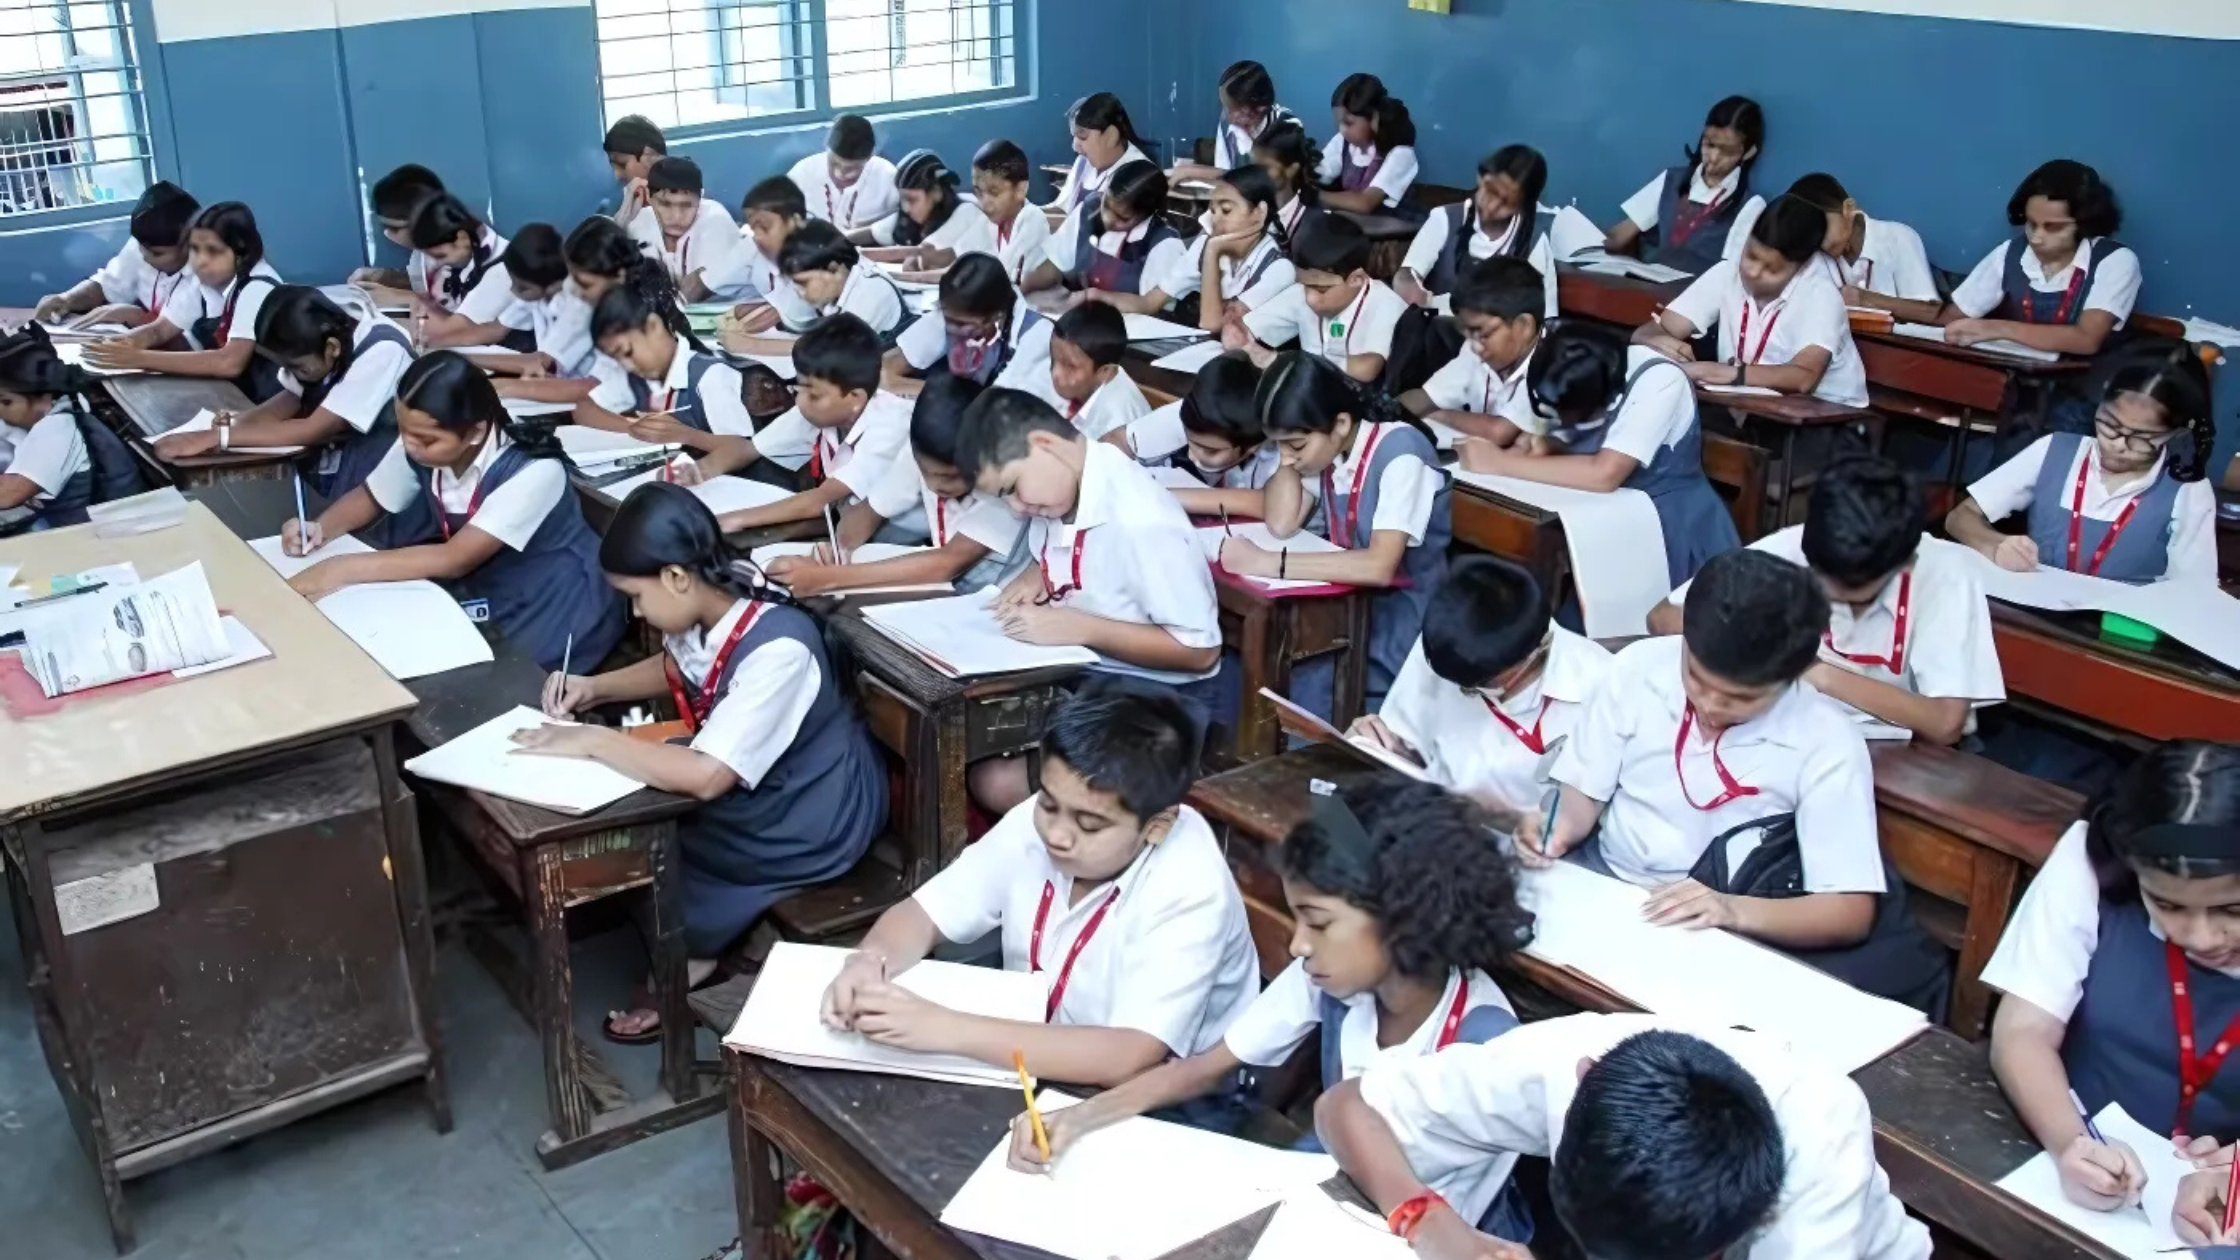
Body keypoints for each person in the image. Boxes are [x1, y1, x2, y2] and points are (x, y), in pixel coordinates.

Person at [1007, 775, 1533, 1230]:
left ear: (1403, 918)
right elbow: (1204, 1069)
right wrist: (1078, 1118)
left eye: (1319, 922)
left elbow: (1428, 1220)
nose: (1298, 944)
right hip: (1334, 1196)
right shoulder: (1331, 976)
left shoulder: (1483, 1046)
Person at [532, 481, 885, 1042]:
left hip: (814, 810)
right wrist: (594, 689)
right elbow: (682, 668)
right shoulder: (712, 601)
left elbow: (706, 777)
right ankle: (679, 936)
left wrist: (596, 742)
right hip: (768, 778)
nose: (634, 609)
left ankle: (692, 953)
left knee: (655, 823)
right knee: (644, 791)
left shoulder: (779, 649)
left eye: (637, 596)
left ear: (676, 577)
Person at [1525, 549, 1950, 1012]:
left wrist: (1730, 910)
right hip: (1610, 885)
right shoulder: (1638, 668)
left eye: (1739, 698)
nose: (1709, 705)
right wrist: (1552, 828)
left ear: (1792, 676)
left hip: (1723, 926)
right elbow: (1579, 801)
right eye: (1695, 677)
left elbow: (1847, 912)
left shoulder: (1825, 740)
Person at [820, 682, 1255, 1090]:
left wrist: (944, 1028)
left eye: (1090, 824)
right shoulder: (1048, 815)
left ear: (1157, 825)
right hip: (1031, 1042)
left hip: (1164, 1094)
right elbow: (923, 914)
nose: (1058, 834)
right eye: (1049, 803)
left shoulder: (1192, 890)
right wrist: (868, 963)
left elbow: (1129, 1055)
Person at [1316, 1012, 1931, 1259]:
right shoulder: (1567, 1058)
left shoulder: (1821, 1150)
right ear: (1581, 1083)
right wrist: (1427, 1220)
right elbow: (1347, 1107)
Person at [1981, 740, 2240, 1226]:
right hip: (2065, 1140)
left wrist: (2235, 1167)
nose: (2200, 937)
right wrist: (2071, 1144)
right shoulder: (2092, 861)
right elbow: (2022, 1032)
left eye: (2233, 911)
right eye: (2166, 905)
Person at [958, 387, 1223, 808]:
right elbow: (1076, 558)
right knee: (970, 737)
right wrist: (1038, 573)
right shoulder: (1064, 489)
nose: (1017, 508)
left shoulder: (1142, 521)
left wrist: (1079, 627)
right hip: (1091, 675)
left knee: (996, 780)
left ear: (1044, 445)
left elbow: (1201, 651)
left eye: (1013, 488)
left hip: (1158, 701)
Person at [278, 351, 625, 671]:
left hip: (553, 602)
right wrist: (320, 529)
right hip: (491, 583)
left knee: (491, 676)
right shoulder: (423, 437)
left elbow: (455, 558)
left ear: (475, 432)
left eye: (426, 440)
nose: (409, 445)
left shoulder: (534, 471)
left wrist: (340, 569)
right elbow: (372, 496)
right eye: (403, 432)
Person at [1652, 458, 2003, 746]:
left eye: (1856, 595)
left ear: (1904, 563)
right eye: (1823, 585)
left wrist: (1810, 669)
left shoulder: (1946, 573)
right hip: (1787, 725)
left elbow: (1944, 723)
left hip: (1894, 747)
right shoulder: (1801, 544)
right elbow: (1663, 618)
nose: (1835, 601)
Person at [1218, 352, 1449, 707]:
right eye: (1278, 445)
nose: (1288, 456)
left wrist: (1267, 563)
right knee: (1261, 671)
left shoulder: (1402, 454)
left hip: (1401, 628)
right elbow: (1281, 522)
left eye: (1295, 444)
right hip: (1347, 613)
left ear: (1341, 422)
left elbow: (1379, 566)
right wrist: (1290, 455)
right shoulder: (1331, 449)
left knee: (1296, 686)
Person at [1459, 320, 1736, 586]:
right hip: (1604, 521)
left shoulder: (1660, 379)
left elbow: (1605, 473)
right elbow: (1572, 426)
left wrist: (1500, 462)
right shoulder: (1559, 362)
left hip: (1669, 530)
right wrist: (1551, 443)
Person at [1353, 556, 1613, 820]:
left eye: (1483, 685)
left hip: (1529, 844)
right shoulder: (1451, 644)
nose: (1469, 692)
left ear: (1535, 652)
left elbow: (1590, 818)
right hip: (1434, 819)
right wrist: (1389, 750)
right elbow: (1413, 749)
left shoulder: (1598, 686)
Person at [1947, 341, 2216, 584]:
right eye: (2110, 424)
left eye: (2142, 438)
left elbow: (2195, 590)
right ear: (2100, 403)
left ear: (2176, 433)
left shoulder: (2187, 489)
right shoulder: (2054, 450)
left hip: (2116, 633)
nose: (2119, 444)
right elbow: (1960, 517)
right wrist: (1995, 544)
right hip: (2034, 612)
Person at [152, 286, 413, 510]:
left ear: (332, 348)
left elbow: (315, 428)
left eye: (298, 368)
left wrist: (216, 438)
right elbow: (290, 400)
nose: (294, 374)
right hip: (335, 467)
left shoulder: (383, 350)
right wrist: (229, 426)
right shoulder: (323, 342)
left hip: (380, 480)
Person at [764, 375, 1025, 597]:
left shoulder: (1007, 486)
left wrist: (827, 578)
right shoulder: (921, 449)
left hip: (999, 597)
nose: (936, 485)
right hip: (947, 592)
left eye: (953, 477)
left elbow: (948, 562)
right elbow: (864, 516)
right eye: (928, 473)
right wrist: (836, 552)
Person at [1882, 160, 2140, 376]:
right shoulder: (2011, 253)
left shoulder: (2114, 260)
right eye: (2031, 224)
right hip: (2019, 381)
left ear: (2084, 224)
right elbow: (1953, 315)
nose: (2036, 236)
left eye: (2053, 227)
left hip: (2088, 388)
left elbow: (2086, 338)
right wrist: (1871, 301)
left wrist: (1996, 328)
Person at [1636, 193, 1869, 407]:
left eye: (1772, 269)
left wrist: (1723, 373)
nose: (1754, 272)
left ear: (1802, 266)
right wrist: (1656, 340)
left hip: (1825, 419)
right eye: (1751, 255)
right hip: (1750, 406)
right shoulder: (1728, 273)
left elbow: (1804, 377)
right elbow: (1653, 329)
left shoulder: (1821, 295)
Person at [708, 314, 911, 529]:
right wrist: (697, 472)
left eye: (812, 394)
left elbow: (820, 501)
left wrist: (729, 521)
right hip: (847, 521)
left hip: (902, 539)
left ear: (855, 398)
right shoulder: (823, 407)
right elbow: (749, 449)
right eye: (798, 387)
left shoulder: (891, 425)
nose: (800, 400)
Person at [84, 201, 287, 400]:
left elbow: (229, 362)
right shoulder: (207, 282)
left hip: (271, 398)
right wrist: (113, 347)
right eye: (194, 249)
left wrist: (137, 358)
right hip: (235, 390)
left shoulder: (256, 287)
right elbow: (160, 329)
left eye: (213, 251)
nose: (200, 261)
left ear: (241, 253)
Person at [577, 258, 753, 473]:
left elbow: (744, 451)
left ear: (654, 325)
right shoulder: (642, 371)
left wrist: (685, 435)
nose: (626, 365)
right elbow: (583, 406)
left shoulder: (710, 375)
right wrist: (638, 428)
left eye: (627, 352)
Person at [1233, 213, 1405, 384]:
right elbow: (1240, 331)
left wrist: (1284, 360)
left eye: (1321, 289)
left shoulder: (1386, 302)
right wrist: (1244, 343)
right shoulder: (1305, 291)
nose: (1310, 298)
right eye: (1306, 286)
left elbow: (1368, 368)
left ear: (1356, 279)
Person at [1604, 95, 1767, 275]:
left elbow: (1733, 275)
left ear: (1749, 152)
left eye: (1727, 151)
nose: (1713, 157)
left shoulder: (1749, 206)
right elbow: (1620, 234)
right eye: (1709, 144)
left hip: (1701, 298)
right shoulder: (1671, 180)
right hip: (1653, 288)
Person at [492, 216, 643, 408]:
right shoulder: (607, 311)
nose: (575, 293)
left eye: (584, 284)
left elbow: (593, 388)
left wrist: (505, 387)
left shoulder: (633, 317)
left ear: (619, 277)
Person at [0, 326, 138, 530]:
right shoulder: (60, 407)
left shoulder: (56, 430)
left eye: (5, 402)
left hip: (84, 535)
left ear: (39, 396)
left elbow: (8, 495)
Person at [1401, 257, 1548, 449]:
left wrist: (1440, 415)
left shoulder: (1549, 361)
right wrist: (1383, 411)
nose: (1474, 346)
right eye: (1469, 333)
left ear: (1523, 326)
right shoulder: (1476, 349)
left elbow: (1500, 432)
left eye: (1484, 334)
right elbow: (1426, 397)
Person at [1395, 146, 1555, 319]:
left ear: (1522, 207)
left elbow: (1545, 319)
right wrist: (1411, 289)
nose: (1492, 206)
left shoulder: (1533, 244)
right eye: (1491, 190)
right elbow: (1407, 275)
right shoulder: (1446, 218)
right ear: (1480, 176)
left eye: (1507, 203)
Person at [1734, 172, 1938, 307]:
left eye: (1823, 224)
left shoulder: (1898, 238)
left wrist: (1866, 299)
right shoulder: (1816, 254)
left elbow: (1930, 311)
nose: (1819, 237)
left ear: (1848, 209)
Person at [883, 253, 1061, 406]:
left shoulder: (1038, 338)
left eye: (963, 325)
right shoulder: (956, 308)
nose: (952, 329)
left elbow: (1002, 410)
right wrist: (940, 397)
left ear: (994, 317)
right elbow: (886, 369)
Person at [1143, 161, 1296, 332]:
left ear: (1259, 212)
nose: (1214, 220)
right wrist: (1107, 299)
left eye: (1226, 210)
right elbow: (1149, 302)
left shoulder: (1278, 269)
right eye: (1213, 211)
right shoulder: (1205, 245)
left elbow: (1212, 324)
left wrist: (1212, 252)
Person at [34, 181, 199, 328]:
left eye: (157, 253)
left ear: (190, 244)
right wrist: (67, 300)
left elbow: (198, 350)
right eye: (141, 248)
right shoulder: (144, 246)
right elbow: (106, 285)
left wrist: (138, 318)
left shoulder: (208, 276)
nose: (145, 257)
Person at [1029, 161, 1183, 305]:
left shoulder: (1164, 243)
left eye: (1122, 218)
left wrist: (1093, 296)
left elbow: (1149, 305)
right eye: (1106, 204)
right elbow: (1055, 263)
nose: (1108, 219)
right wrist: (1023, 287)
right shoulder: (1090, 209)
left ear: (1146, 215)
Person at [470, 224, 596, 381]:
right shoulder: (539, 288)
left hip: (579, 389)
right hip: (548, 378)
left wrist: (465, 358)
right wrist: (438, 341)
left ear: (553, 286)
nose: (513, 291)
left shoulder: (579, 308)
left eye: (522, 288)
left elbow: (542, 362)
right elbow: (495, 329)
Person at [402, 192, 516, 346]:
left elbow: (450, 333)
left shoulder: (501, 272)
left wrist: (402, 302)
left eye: (440, 256)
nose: (436, 264)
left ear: (462, 239)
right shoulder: (462, 260)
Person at [705, 176, 817, 323]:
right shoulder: (761, 253)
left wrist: (755, 345)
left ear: (794, 222)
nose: (758, 236)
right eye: (753, 228)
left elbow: (806, 324)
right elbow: (717, 282)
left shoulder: (815, 262)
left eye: (765, 227)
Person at [769, 221, 905, 341]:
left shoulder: (863, 305)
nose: (799, 292)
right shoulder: (849, 281)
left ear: (833, 269)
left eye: (803, 284)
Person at [863, 149, 990, 277]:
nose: (906, 208)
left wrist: (856, 255)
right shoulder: (913, 214)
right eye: (902, 199)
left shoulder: (966, 213)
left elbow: (916, 257)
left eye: (912, 200)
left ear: (936, 192)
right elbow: (872, 233)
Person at [627, 156, 738, 300]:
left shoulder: (716, 220)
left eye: (686, 205)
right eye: (665, 204)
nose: (676, 217)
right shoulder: (639, 223)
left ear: (701, 198)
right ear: (649, 197)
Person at [1174, 59, 1299, 183]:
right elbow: (1224, 169)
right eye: (1224, 106)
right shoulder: (1227, 122)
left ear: (1260, 108)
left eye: (1232, 108)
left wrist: (1195, 172)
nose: (1227, 116)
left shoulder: (1287, 126)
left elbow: (1264, 182)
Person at [1317, 73, 1418, 215]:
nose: (1342, 130)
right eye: (1339, 122)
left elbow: (1365, 203)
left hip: (1389, 229)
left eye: (1349, 123)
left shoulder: (1401, 153)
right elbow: (1321, 174)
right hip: (1354, 224)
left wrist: (1314, 195)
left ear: (1374, 118)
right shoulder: (1342, 141)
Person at [1047, 301, 1149, 440]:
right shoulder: (1090, 384)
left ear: (1105, 371)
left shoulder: (1114, 432)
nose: (1056, 373)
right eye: (1053, 358)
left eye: (1070, 366)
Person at [787, 113, 899, 235]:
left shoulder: (887, 176)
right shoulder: (803, 172)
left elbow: (906, 220)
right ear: (826, 149)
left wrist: (871, 232)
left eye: (853, 168)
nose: (840, 174)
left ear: (870, 157)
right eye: (834, 164)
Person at [349, 163, 446, 303]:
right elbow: (423, 281)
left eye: (390, 227)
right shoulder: (425, 250)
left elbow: (454, 310)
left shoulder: (466, 252)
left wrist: (397, 297)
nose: (387, 233)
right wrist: (383, 276)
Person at [1049, 92, 1151, 219]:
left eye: (1083, 136)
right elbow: (1062, 210)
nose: (1075, 147)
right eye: (1074, 136)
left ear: (1111, 136)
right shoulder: (1084, 161)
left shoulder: (1137, 176)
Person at [968, 139, 1053, 288]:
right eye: (978, 192)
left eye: (994, 192)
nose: (984, 202)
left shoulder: (1032, 220)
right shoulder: (992, 222)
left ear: (1020, 189)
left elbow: (996, 275)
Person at [604, 114, 667, 227]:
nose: (617, 175)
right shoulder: (629, 199)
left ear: (649, 157)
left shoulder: (683, 199)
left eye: (622, 165)